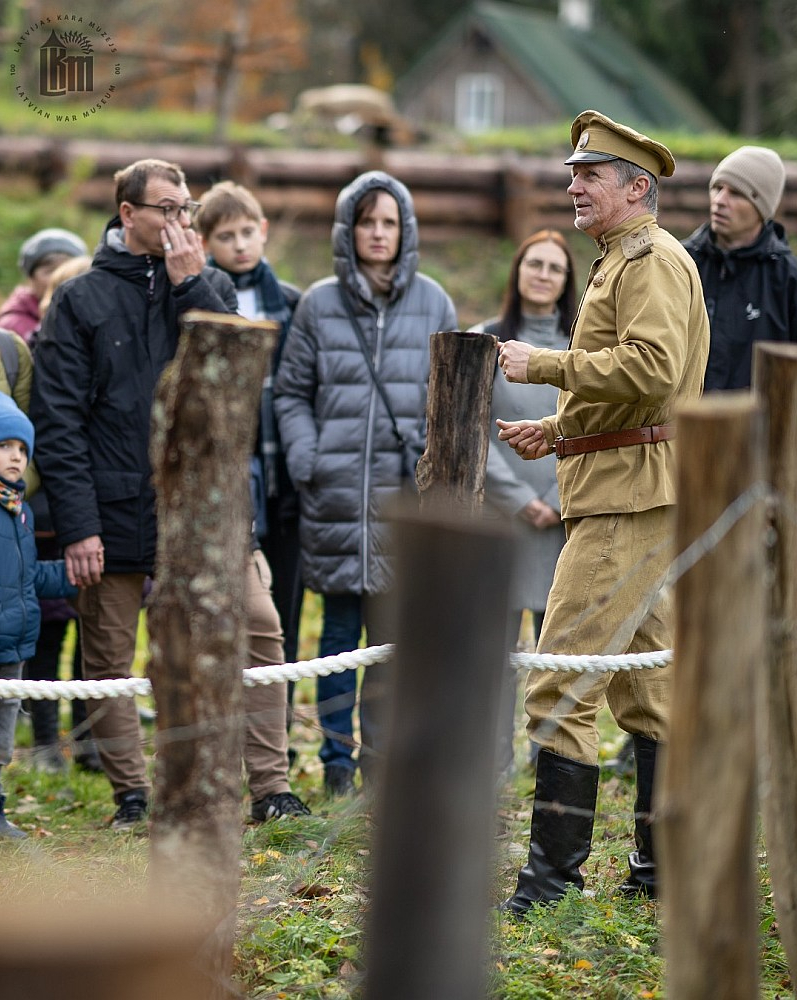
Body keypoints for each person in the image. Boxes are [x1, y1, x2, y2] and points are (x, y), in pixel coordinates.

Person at [496, 109, 709, 910]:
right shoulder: (628, 256)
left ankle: (547, 888)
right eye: (572, 173)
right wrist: (557, 432)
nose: (572, 186)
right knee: (647, 692)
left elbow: (652, 369)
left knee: (558, 686)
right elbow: (641, 386)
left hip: (628, 504)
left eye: (589, 175)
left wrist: (544, 365)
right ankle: (660, 877)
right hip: (636, 490)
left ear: (637, 187)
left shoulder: (649, 258)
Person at [29, 158, 241, 830]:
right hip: (110, 511)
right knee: (109, 660)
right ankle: (131, 794)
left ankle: (193, 781)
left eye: (187, 207)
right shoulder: (80, 298)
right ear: (128, 214)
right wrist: (78, 527)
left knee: (196, 650)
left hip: (190, 513)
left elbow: (233, 363)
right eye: (167, 208)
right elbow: (58, 423)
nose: (181, 220)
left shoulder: (201, 283)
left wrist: (189, 285)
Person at [274, 170, 458, 795]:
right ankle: (335, 766)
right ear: (346, 229)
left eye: (389, 223)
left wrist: (437, 478)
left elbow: (450, 399)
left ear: (404, 232)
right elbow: (292, 393)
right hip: (335, 497)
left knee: (389, 641)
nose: (378, 234)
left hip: (401, 501)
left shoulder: (433, 302)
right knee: (334, 638)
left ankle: (380, 764)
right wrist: (309, 457)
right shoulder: (318, 303)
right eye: (367, 222)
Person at [196, 180, 309, 821]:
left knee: (280, 627)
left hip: (280, 486)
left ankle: (274, 764)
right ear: (209, 243)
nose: (240, 245)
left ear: (263, 230)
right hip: (223, 490)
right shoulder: (204, 299)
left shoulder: (290, 303)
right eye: (226, 236)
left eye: (248, 231)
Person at [470, 230, 575, 780]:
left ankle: (551, 756)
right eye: (533, 263)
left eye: (554, 268)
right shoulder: (485, 340)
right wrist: (519, 499)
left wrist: (557, 498)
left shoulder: (581, 346)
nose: (542, 274)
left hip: (564, 518)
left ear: (566, 281)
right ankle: (494, 760)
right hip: (501, 520)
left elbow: (588, 422)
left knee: (555, 646)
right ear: (518, 271)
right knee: (496, 648)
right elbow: (471, 429)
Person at [19, 254, 102, 775]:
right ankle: (47, 741)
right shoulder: (39, 356)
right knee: (49, 634)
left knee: (94, 633)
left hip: (96, 514)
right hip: (50, 518)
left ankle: (88, 736)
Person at [0, 394, 78, 837]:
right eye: (5, 446)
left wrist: (74, 576)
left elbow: (28, 577)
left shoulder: (20, 511)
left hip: (13, 648)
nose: (16, 456)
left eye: (22, 449)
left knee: (1, 740)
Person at [682, 144, 796, 391]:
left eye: (737, 193)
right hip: (682, 424)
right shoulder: (680, 262)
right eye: (717, 188)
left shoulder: (788, 280)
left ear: (762, 207)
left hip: (756, 427)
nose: (720, 201)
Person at [0, 228, 88, 343]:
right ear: (30, 278)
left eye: (67, 270)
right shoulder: (13, 328)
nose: (60, 278)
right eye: (50, 271)